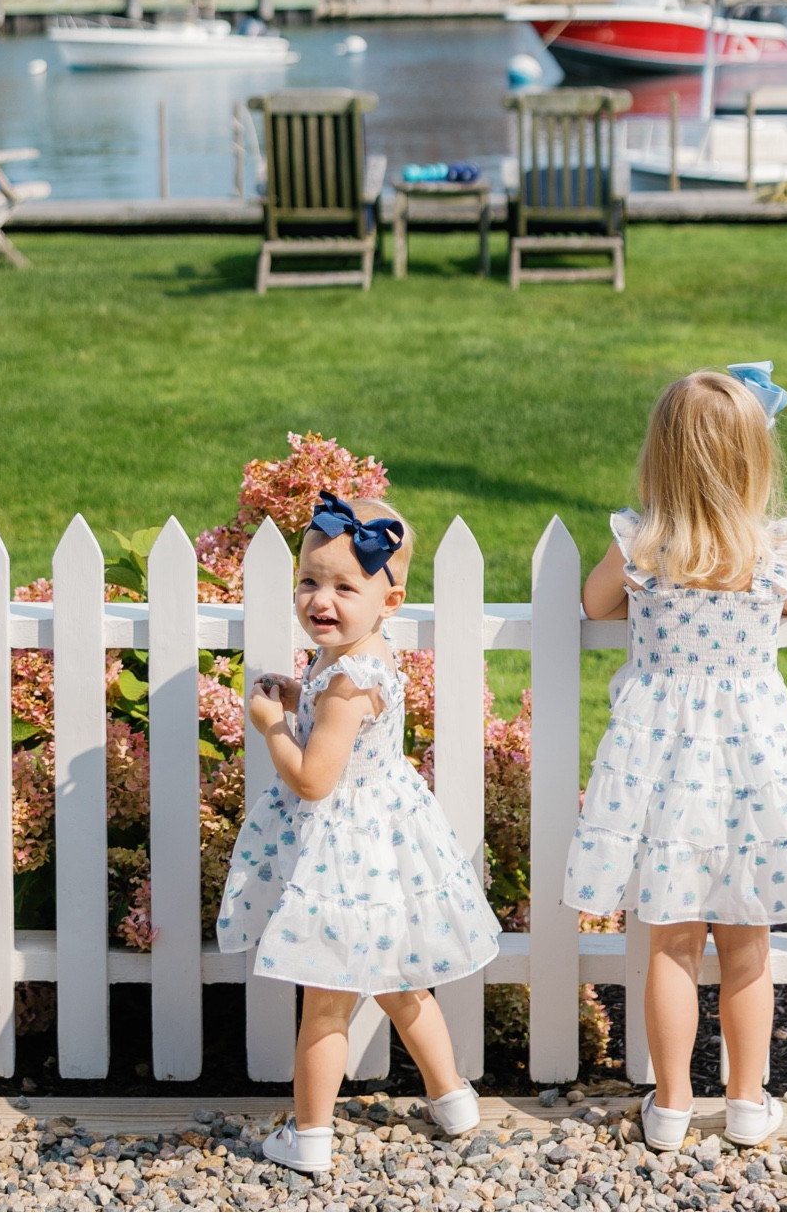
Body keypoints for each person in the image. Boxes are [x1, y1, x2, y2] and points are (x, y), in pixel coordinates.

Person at [565, 365, 787, 1154]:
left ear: (661, 459)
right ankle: (749, 1100)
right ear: (757, 462)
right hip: (749, 763)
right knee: (748, 938)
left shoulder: (642, 546)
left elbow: (592, 605)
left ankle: (672, 1102)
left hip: (663, 764)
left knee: (673, 940)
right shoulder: (774, 550)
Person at [218, 492, 500, 1174]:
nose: (322, 599)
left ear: (389, 599)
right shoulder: (357, 656)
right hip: (384, 847)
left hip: (345, 859)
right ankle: (454, 1099)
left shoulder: (348, 680)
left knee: (325, 1004)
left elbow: (313, 780)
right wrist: (299, 695)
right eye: (310, 581)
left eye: (345, 585)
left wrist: (273, 727)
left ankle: (310, 1136)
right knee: (403, 986)